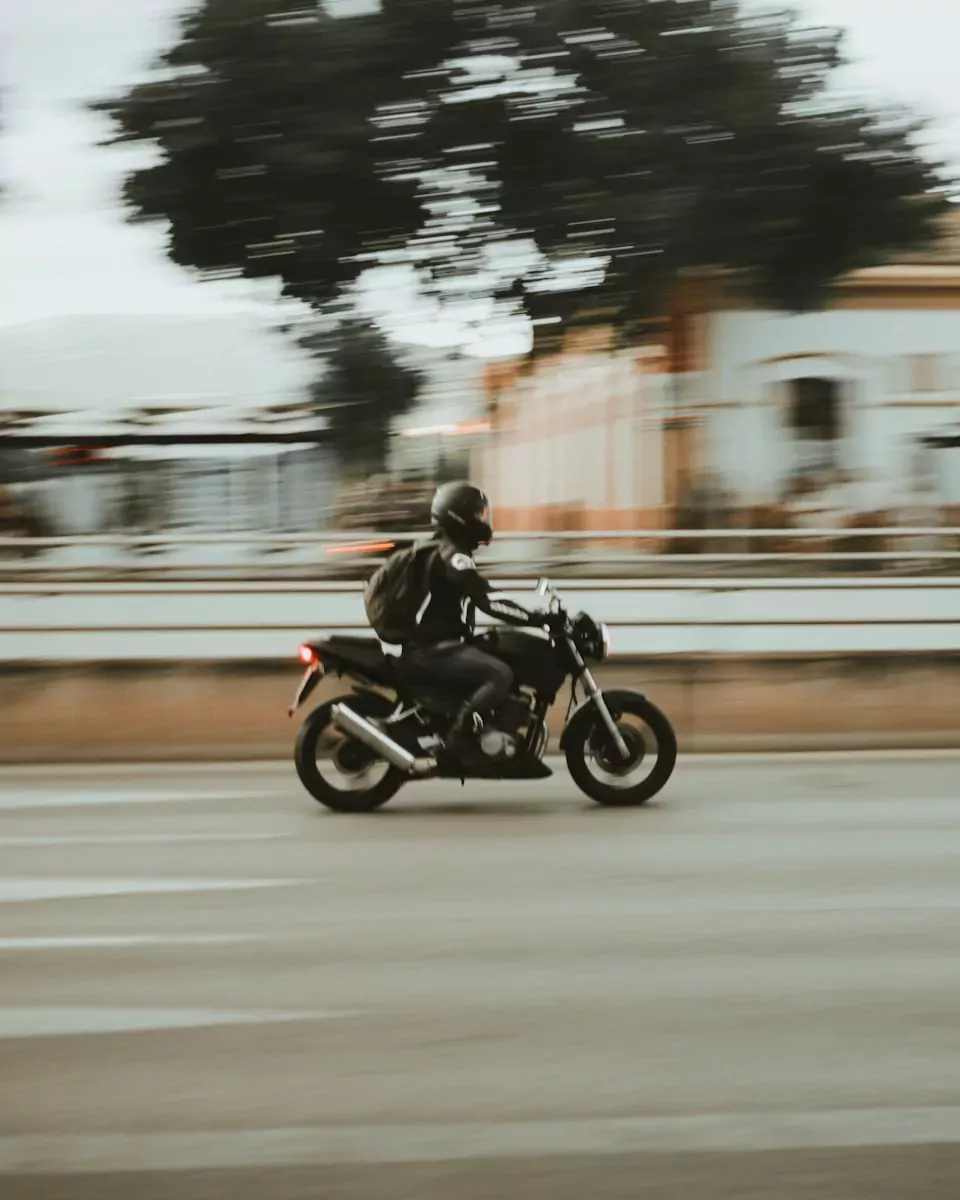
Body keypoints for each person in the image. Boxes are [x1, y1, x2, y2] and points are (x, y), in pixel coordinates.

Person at [401, 481, 545, 766]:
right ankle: (458, 741)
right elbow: (488, 600)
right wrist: (537, 618)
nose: (482, 522)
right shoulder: (454, 557)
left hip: (438, 644)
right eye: (477, 515)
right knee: (500, 675)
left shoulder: (445, 549)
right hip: (436, 649)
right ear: (459, 517)